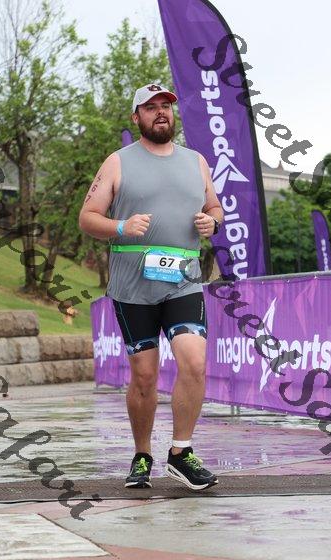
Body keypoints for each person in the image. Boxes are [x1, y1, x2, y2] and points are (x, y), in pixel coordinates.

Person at [79, 83, 223, 491]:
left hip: (184, 282)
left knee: (194, 360)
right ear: (136, 117)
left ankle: (180, 452)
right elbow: (87, 217)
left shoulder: (196, 161)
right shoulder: (118, 162)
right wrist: (121, 226)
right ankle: (142, 454)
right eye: (151, 107)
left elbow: (214, 207)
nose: (161, 112)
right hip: (133, 288)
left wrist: (212, 222)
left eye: (166, 106)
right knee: (144, 376)